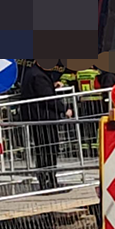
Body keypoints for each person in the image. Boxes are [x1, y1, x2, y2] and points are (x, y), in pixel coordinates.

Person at [19, 61, 71, 191]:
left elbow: (42, 90)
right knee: (49, 150)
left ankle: (48, 181)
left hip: (38, 118)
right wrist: (64, 109)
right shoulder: (38, 76)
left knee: (44, 151)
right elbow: (47, 97)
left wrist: (52, 86)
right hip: (43, 118)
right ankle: (49, 182)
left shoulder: (34, 73)